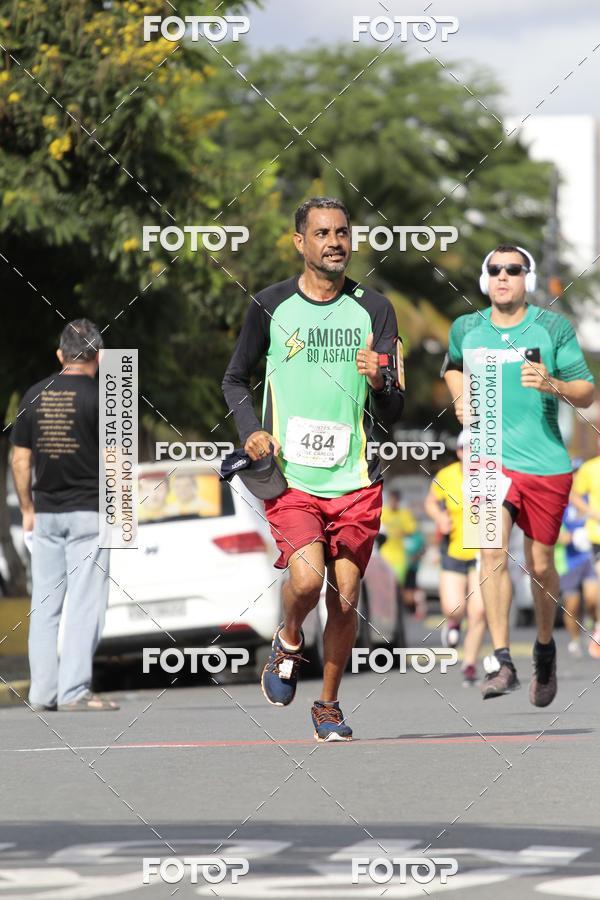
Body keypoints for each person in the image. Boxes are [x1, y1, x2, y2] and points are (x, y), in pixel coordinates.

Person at [222, 197, 404, 741]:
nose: (334, 242)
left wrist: (379, 380)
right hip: (292, 477)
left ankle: (327, 704)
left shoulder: (376, 309)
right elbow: (234, 379)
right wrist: (250, 430)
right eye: (322, 233)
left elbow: (394, 407)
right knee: (306, 578)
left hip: (355, 478)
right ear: (300, 242)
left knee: (345, 595)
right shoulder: (270, 305)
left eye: (342, 232)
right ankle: (289, 637)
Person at [443, 244, 594, 705]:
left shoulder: (553, 328)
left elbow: (587, 391)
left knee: (541, 564)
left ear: (528, 277)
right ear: (485, 278)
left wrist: (555, 384)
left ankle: (545, 649)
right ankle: (502, 660)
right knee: (491, 552)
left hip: (545, 463)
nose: (503, 276)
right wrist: (459, 395)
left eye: (514, 269)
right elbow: (452, 367)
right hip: (487, 457)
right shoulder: (466, 328)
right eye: (495, 269)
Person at [10, 319, 118, 712]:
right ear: (99, 357)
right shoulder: (106, 399)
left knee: (44, 605)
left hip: (47, 515)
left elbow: (20, 460)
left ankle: (42, 693)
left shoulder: (33, 395)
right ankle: (74, 692)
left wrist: (27, 509)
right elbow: (115, 462)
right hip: (90, 512)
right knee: (85, 603)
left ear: (60, 355)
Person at [424, 430, 486, 685]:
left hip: (483, 553)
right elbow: (430, 502)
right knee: (454, 607)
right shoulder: (446, 476)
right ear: (459, 452)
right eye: (466, 449)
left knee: (479, 611)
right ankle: (453, 623)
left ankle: (469, 664)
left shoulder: (490, 477)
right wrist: (440, 517)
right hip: (454, 549)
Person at [555, 466, 600, 658]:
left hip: (588, 557)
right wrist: (572, 537)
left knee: (592, 597)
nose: (574, 478)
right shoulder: (559, 502)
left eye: (577, 474)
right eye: (571, 474)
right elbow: (553, 532)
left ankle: (595, 626)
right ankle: (574, 639)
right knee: (572, 605)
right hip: (568, 561)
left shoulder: (590, 499)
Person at [571, 448, 600, 656]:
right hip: (597, 537)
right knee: (591, 595)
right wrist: (591, 512)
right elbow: (573, 494)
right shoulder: (590, 468)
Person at [380, 488, 426, 618]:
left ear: (398, 501)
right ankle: (385, 610)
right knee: (383, 585)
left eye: (395, 501)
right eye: (391, 500)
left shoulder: (404, 514)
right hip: (384, 555)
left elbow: (412, 530)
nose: (393, 503)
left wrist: (402, 532)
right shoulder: (383, 513)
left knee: (397, 585)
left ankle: (395, 610)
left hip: (399, 557)